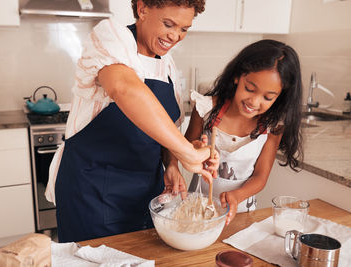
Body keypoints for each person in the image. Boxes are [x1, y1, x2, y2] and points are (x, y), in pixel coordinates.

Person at [45, 0, 219, 243]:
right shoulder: (112, 36)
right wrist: (187, 153)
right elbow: (124, 88)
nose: (176, 36)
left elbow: (169, 125)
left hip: (145, 192)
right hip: (92, 192)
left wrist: (171, 164)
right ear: (142, 9)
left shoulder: (167, 65)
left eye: (184, 29)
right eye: (169, 24)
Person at [186, 39, 303, 225]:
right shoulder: (205, 109)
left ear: (280, 96)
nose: (254, 102)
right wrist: (196, 149)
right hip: (196, 210)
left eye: (268, 97)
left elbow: (260, 177)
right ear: (237, 77)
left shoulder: (273, 126)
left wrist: (236, 196)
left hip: (241, 213)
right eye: (250, 89)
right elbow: (184, 150)